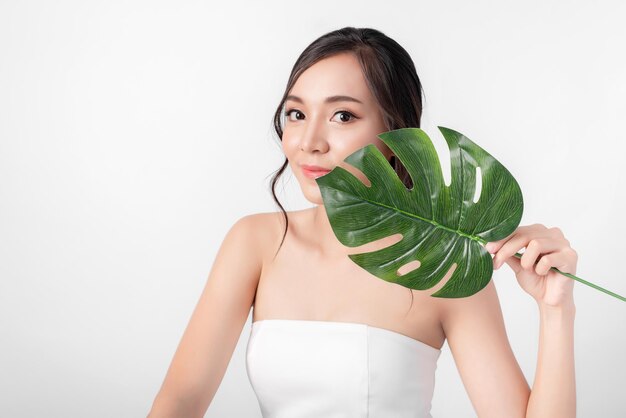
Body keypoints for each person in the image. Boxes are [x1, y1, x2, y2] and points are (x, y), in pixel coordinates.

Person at [147, 27, 577, 418]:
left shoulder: (445, 262)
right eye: (296, 114)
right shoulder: (256, 242)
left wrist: (556, 310)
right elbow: (179, 402)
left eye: (343, 116)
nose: (309, 143)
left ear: (396, 135)